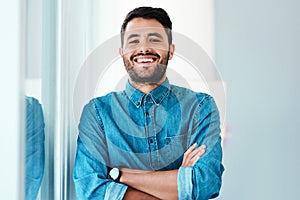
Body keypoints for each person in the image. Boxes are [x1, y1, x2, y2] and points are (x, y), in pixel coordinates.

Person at [73, 6, 224, 200]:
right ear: (122, 52)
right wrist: (179, 181)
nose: (143, 48)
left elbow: (205, 183)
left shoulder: (200, 106)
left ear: (170, 51)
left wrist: (120, 175)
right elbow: (91, 191)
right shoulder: (97, 113)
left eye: (154, 39)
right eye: (134, 41)